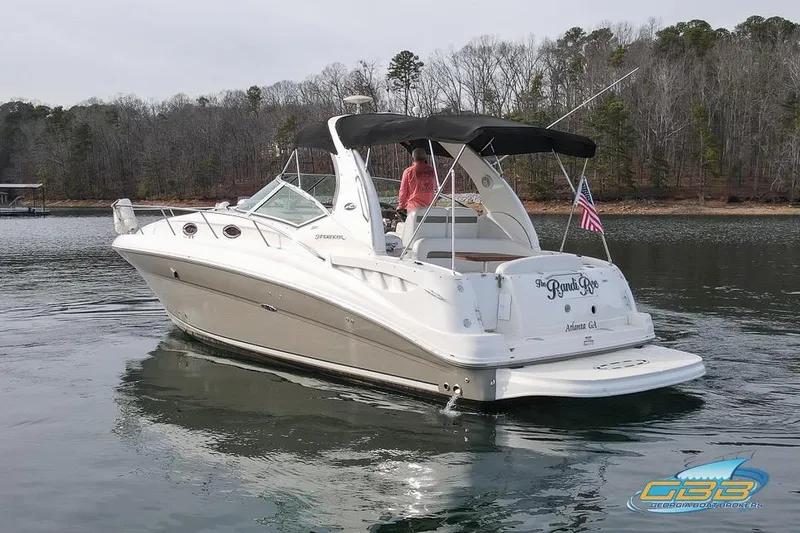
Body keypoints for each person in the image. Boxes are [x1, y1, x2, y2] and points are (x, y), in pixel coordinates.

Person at [397, 147, 437, 214]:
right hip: (429, 209)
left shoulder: (408, 172)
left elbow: (403, 191)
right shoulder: (432, 171)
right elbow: (435, 188)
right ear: (425, 158)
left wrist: (401, 206)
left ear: (413, 158)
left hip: (414, 210)